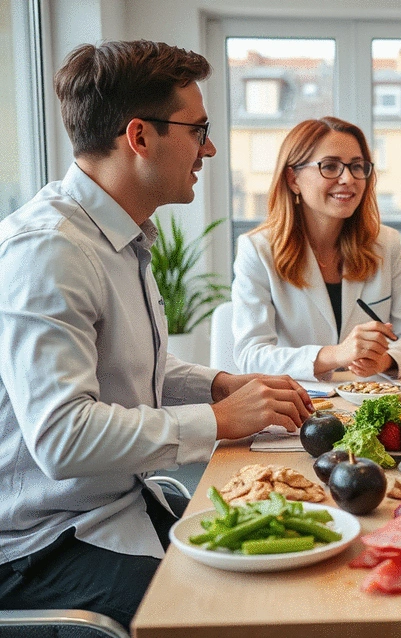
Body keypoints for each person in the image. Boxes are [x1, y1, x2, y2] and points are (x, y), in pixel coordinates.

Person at [0, 40, 314, 629]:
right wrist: (220, 422)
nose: (209, 147)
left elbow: (126, 365)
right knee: (235, 617)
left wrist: (219, 384)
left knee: (280, 575)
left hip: (111, 505)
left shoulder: (114, 236)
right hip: (39, 545)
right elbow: (64, 438)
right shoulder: (48, 253)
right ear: (139, 137)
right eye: (198, 130)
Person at [231, 116, 401, 381]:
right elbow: (251, 355)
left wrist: (384, 360)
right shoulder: (257, 250)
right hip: (298, 407)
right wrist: (336, 354)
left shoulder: (387, 244)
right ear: (293, 179)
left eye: (357, 167)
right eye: (330, 166)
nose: (348, 178)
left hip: (368, 402)